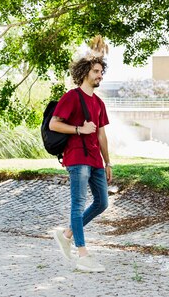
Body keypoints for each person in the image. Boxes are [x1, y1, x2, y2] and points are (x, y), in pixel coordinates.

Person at [50, 55, 112, 272]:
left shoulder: (99, 103)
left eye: (101, 72)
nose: (99, 76)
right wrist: (79, 129)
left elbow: (102, 135)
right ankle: (83, 255)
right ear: (85, 72)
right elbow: (54, 124)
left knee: (102, 203)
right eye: (96, 71)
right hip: (77, 157)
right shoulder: (72, 97)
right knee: (78, 204)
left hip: (95, 159)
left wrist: (108, 163)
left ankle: (66, 234)